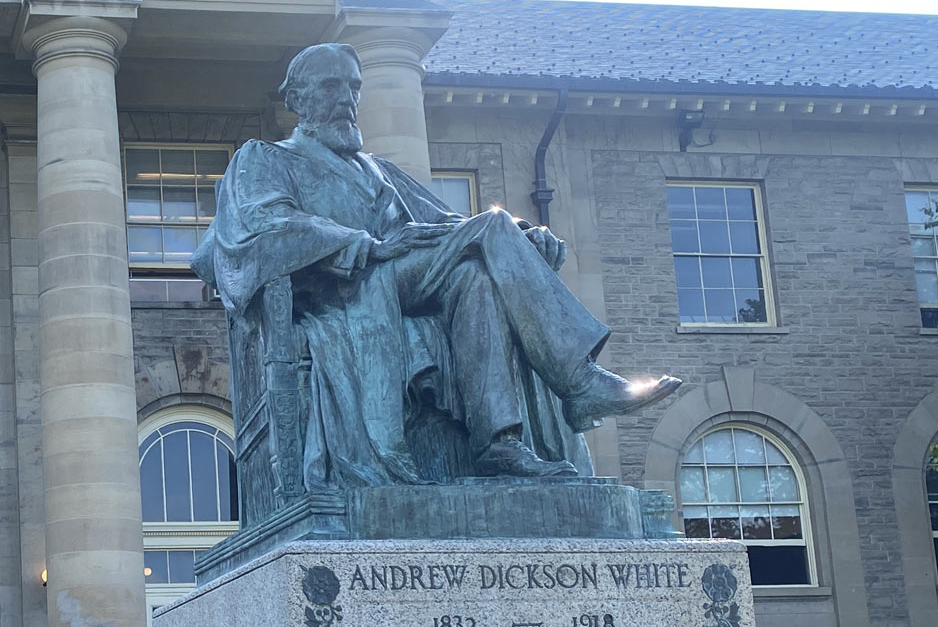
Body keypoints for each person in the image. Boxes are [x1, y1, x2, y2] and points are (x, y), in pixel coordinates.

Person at [191, 43, 681, 489]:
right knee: (489, 229)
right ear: (297, 100)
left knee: (475, 272)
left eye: (354, 87)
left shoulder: (378, 169)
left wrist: (524, 237)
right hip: (341, 290)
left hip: (402, 279)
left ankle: (497, 443)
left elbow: (444, 223)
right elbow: (264, 227)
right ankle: (580, 381)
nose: (348, 99)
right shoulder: (265, 159)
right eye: (331, 86)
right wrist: (366, 244)